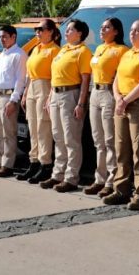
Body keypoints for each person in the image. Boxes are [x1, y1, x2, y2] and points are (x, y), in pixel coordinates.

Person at [103, 19, 139, 210]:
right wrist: (119, 98)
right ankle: (121, 189)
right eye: (132, 30)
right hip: (123, 103)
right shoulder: (127, 53)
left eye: (137, 30)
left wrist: (125, 100)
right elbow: (116, 79)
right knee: (121, 148)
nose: (132, 33)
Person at [39, 19, 92, 192]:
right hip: (56, 93)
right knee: (58, 136)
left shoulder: (83, 51)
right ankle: (58, 174)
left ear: (79, 33)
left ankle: (71, 177)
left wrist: (81, 103)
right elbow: (55, 76)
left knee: (71, 138)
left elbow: (85, 79)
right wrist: (50, 97)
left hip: (71, 94)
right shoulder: (64, 49)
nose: (66, 32)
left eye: (70, 30)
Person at [85, 17, 128, 196]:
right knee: (98, 140)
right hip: (95, 92)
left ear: (116, 31)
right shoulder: (99, 48)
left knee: (110, 140)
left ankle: (111, 180)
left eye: (107, 27)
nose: (102, 30)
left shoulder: (121, 50)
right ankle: (99, 178)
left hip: (109, 93)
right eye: (102, 27)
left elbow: (121, 75)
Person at [0, 25, 28, 179]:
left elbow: (20, 80)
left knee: (9, 132)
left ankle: (7, 164)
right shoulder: (2, 55)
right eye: (0, 37)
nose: (2, 39)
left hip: (9, 97)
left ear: (13, 37)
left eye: (5, 37)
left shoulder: (19, 54)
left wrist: (14, 100)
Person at [20, 18, 61, 184]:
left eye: (41, 29)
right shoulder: (36, 48)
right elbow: (29, 74)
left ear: (50, 31)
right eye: (36, 29)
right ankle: (34, 161)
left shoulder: (54, 50)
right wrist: (25, 93)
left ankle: (45, 164)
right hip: (32, 87)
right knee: (33, 127)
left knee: (43, 127)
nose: (37, 32)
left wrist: (50, 95)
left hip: (45, 86)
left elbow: (55, 76)